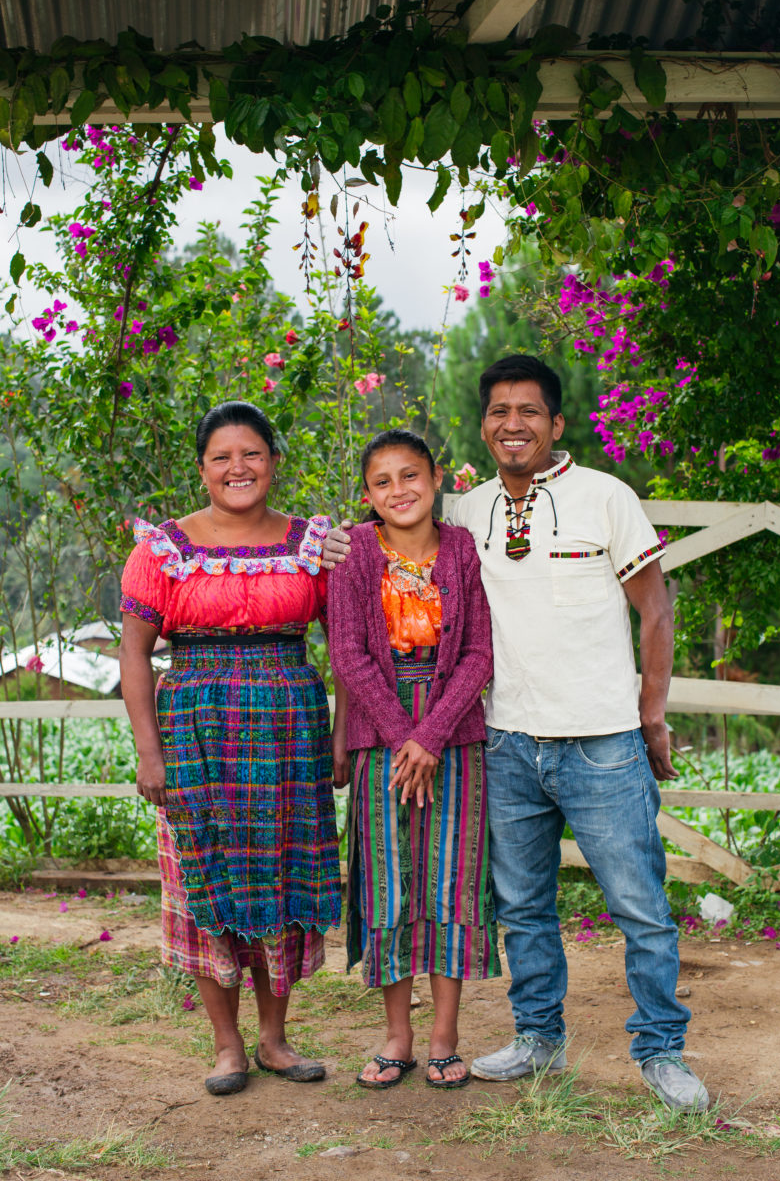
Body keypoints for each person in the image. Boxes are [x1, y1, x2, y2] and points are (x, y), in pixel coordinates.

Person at [323, 357, 709, 1112]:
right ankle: (538, 1037)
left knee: (639, 906)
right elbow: (393, 529)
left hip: (601, 740)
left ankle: (661, 1051)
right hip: (504, 743)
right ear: (482, 427)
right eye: (498, 411)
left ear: (556, 424)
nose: (513, 424)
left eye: (529, 411)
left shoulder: (606, 497)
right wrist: (337, 542)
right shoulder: (468, 512)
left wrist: (651, 716)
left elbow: (656, 612)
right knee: (523, 907)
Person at [119, 401, 342, 1096]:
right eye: (222, 456)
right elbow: (132, 660)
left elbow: (351, 646)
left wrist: (339, 738)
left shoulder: (314, 546)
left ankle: (275, 1040)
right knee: (202, 879)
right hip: (194, 730)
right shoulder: (164, 550)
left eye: (251, 453)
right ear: (203, 468)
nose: (237, 468)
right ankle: (226, 1046)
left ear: (274, 461)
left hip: (290, 731)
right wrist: (149, 752)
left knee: (282, 877)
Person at [328, 429, 499, 1090]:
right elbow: (348, 653)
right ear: (367, 494)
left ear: (435, 480)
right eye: (382, 481)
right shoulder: (353, 557)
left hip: (455, 731)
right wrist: (405, 735)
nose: (399, 490)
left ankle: (444, 1037)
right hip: (381, 733)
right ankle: (397, 1036)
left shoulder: (461, 550)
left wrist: (431, 737)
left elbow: (479, 653)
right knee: (390, 882)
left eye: (411, 475)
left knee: (453, 881)